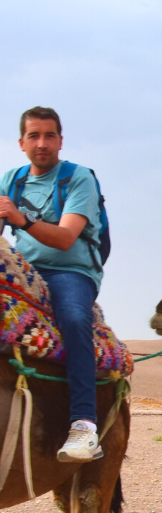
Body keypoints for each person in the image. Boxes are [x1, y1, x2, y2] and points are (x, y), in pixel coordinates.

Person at [0, 107, 105, 461]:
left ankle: (84, 425)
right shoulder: (11, 181)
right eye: (34, 136)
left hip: (69, 272)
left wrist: (20, 218)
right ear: (21, 143)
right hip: (22, 268)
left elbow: (64, 238)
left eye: (49, 136)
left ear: (60, 141)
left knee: (75, 320)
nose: (41, 143)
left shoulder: (79, 179)